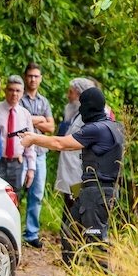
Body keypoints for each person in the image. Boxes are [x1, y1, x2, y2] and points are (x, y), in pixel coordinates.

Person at [20, 87, 124, 270]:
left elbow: (61, 143)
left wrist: (34, 138)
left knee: (95, 242)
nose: (80, 109)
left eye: (83, 105)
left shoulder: (97, 129)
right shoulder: (111, 126)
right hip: (92, 190)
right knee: (70, 232)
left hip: (97, 192)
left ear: (90, 107)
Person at [54, 78, 97, 250]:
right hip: (69, 172)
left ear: (79, 94)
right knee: (68, 209)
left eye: (71, 91)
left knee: (75, 211)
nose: (68, 95)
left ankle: (76, 249)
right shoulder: (73, 112)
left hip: (78, 174)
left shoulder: (88, 116)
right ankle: (69, 249)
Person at [19, 62, 54, 248]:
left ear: (40, 79)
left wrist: (33, 120)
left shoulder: (44, 101)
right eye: (30, 76)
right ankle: (12, 232)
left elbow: (51, 127)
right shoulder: (19, 98)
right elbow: (19, 121)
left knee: (37, 194)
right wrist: (41, 119)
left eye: (36, 76)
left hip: (40, 153)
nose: (33, 79)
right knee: (16, 192)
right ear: (26, 77)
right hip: (21, 153)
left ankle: (31, 234)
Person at [0, 75, 35, 195]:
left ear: (22, 93)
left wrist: (31, 169)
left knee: (14, 199)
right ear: (5, 91)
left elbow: (30, 143)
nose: (14, 94)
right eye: (11, 90)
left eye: (18, 91)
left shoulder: (25, 114)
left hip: (17, 163)